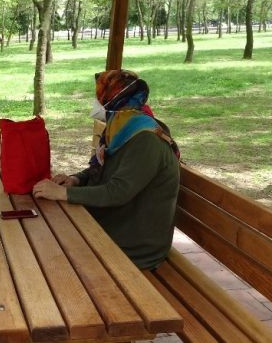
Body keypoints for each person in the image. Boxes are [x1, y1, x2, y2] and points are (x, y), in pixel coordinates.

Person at [32, 69, 180, 270]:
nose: (97, 104)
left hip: (135, 244)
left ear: (115, 101)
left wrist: (63, 193)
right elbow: (103, 168)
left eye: (101, 98)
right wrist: (76, 180)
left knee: (51, 256)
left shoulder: (146, 140)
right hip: (116, 222)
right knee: (46, 239)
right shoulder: (122, 127)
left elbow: (118, 192)